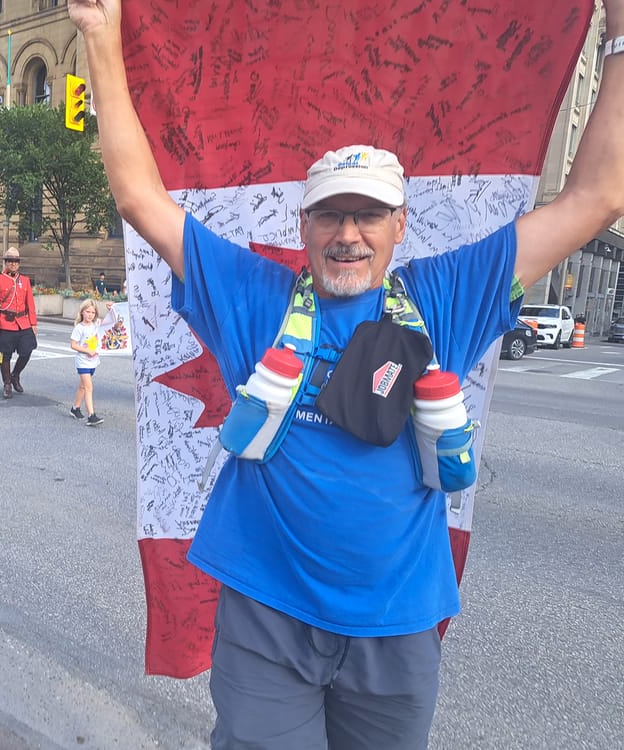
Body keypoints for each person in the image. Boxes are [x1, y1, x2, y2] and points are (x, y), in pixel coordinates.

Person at [68, 1, 624, 748]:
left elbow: (597, 197)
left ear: (401, 227)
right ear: (303, 228)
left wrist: (619, 36)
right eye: (330, 216)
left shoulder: (445, 298)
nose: (348, 235)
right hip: (267, 621)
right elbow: (140, 198)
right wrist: (100, 34)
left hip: (397, 631)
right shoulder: (255, 297)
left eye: (369, 216)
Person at [0, 246, 38, 398]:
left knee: (27, 351)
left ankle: (15, 374)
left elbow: (30, 302)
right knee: (6, 354)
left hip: (23, 322)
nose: (13, 263)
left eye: (16, 261)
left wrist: (33, 323)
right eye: (10, 260)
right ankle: (7, 383)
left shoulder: (25, 280)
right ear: (5, 262)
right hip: (5, 322)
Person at [69, 298, 106, 426]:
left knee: (83, 386)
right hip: (83, 362)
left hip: (93, 361)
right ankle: (91, 415)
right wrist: (86, 350)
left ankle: (75, 408)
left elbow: (111, 322)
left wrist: (111, 308)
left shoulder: (96, 325)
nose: (90, 315)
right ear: (82, 312)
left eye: (93, 312)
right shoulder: (79, 328)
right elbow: (73, 345)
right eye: (88, 312)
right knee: (89, 387)